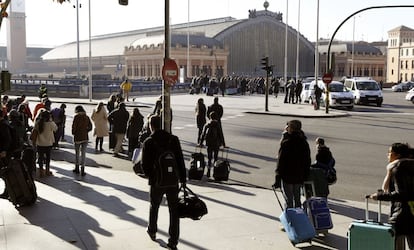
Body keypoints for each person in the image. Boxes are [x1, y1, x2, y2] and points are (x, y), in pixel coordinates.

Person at [142, 115, 186, 250]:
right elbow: (180, 160)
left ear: (151, 126)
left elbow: (145, 165)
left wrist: (151, 177)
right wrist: (183, 179)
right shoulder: (173, 139)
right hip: (173, 181)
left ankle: (153, 230)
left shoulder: (149, 142)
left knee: (154, 206)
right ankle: (173, 241)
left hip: (157, 181)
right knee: (174, 210)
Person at [369, 143, 413, 250]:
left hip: (402, 213)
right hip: (410, 212)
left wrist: (379, 196)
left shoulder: (398, 169)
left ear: (397, 155)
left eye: (390, 152)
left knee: (396, 245)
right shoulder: (409, 166)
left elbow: (400, 194)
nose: (387, 155)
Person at [275, 120, 311, 208]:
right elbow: (307, 161)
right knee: (297, 198)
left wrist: (278, 176)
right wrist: (305, 175)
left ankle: (291, 218)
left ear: (290, 129)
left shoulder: (287, 142)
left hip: (287, 175)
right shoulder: (304, 142)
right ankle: (298, 217)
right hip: (299, 175)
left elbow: (281, 161)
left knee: (289, 200)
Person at [199, 111, 225, 178]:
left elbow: (203, 134)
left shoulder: (207, 124)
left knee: (209, 158)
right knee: (215, 158)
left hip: (209, 143)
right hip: (216, 144)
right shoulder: (217, 124)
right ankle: (214, 172)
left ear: (210, 117)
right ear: (216, 117)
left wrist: (200, 143)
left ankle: (208, 171)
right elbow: (220, 134)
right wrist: (223, 144)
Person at [33, 110, 57, 177]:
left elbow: (35, 131)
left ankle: (41, 172)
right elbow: (56, 129)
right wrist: (51, 120)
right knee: (47, 158)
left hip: (40, 143)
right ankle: (47, 171)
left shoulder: (38, 123)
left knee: (40, 158)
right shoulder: (50, 123)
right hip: (48, 143)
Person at [72, 105, 92, 176]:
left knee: (77, 153)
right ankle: (82, 169)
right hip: (85, 137)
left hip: (77, 137)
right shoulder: (86, 117)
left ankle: (77, 168)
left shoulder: (76, 117)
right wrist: (86, 131)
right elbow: (90, 127)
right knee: (83, 154)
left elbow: (74, 127)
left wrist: (74, 133)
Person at [0, 111, 12, 198]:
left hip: (2, 153)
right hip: (2, 152)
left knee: (4, 173)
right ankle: (7, 190)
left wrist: (4, 150)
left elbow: (7, 139)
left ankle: (8, 191)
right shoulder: (4, 123)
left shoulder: (3, 125)